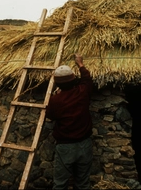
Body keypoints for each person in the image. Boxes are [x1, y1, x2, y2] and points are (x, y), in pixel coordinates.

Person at [45, 54, 94, 190]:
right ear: (73, 81)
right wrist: (80, 64)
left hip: (65, 147)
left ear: (57, 84)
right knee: (83, 183)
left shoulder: (55, 100)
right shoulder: (82, 92)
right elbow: (86, 80)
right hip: (85, 144)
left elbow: (50, 116)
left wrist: (56, 95)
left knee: (60, 184)